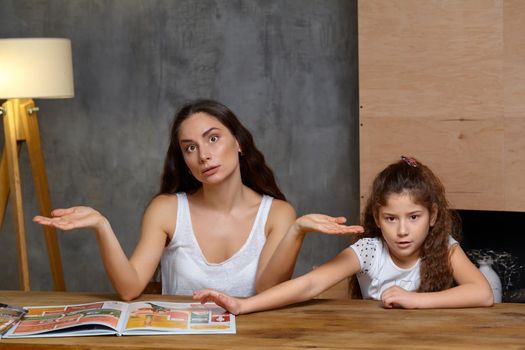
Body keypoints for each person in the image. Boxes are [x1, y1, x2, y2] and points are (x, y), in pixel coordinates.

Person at [33, 99, 363, 301]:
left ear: (239, 143)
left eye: (213, 138)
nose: (203, 155)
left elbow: (266, 289)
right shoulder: (166, 209)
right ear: (185, 160)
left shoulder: (277, 213)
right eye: (190, 147)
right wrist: (101, 226)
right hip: (177, 342)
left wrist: (296, 231)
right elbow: (130, 288)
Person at [193, 156, 494, 314]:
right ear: (377, 218)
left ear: (433, 217)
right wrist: (243, 305)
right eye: (391, 218)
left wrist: (416, 301)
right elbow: (310, 283)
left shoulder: (444, 247)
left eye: (414, 217)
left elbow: (482, 294)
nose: (402, 230)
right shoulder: (369, 251)